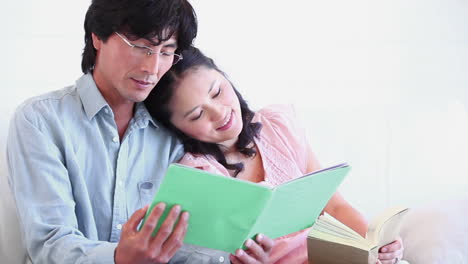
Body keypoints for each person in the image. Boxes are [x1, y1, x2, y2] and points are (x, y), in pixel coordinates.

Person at [5, 0, 233, 263]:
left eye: (167, 51)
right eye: (140, 47)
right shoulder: (40, 120)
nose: (153, 68)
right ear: (97, 38)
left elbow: (187, 244)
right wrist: (118, 257)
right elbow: (49, 244)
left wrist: (234, 256)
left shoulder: (172, 129)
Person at [144, 46, 405, 264]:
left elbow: (335, 207)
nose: (219, 112)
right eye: (197, 115)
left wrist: (373, 244)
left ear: (224, 76)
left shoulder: (277, 128)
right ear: (177, 128)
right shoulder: (199, 175)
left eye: (217, 92)